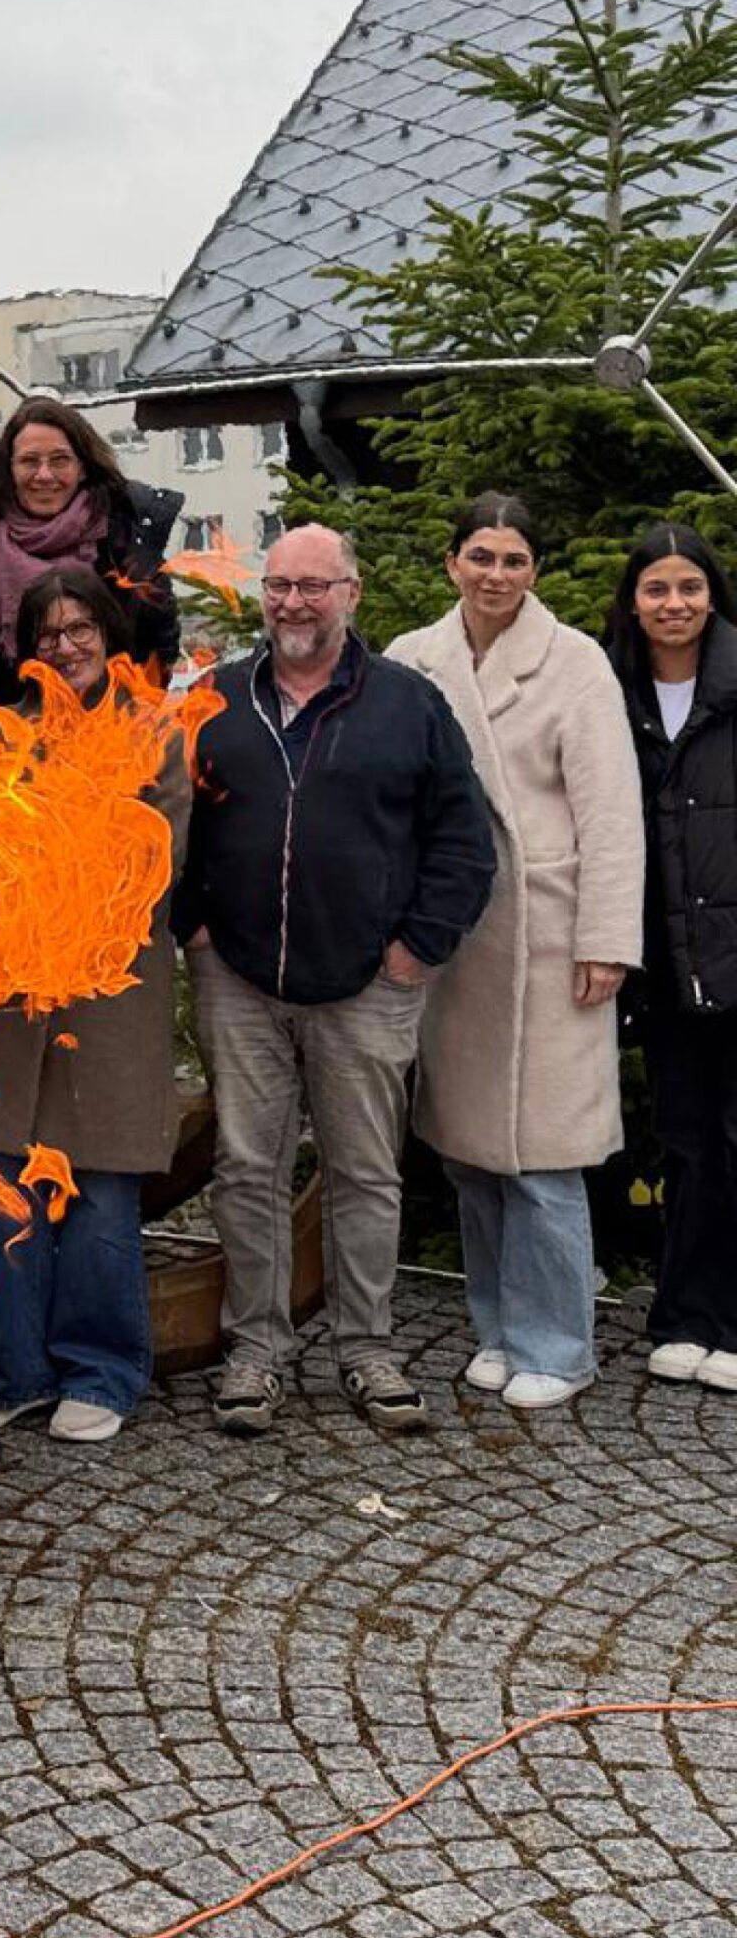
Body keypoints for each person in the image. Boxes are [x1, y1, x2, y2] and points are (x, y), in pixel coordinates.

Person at [178, 522, 494, 1437]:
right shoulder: (215, 698)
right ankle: (257, 1352)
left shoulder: (407, 703)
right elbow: (166, 824)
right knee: (247, 1168)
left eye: (315, 586)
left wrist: (418, 948)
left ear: (350, 594)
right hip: (239, 976)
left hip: (369, 981)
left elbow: (464, 841)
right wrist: (189, 923)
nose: (294, 604)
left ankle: (367, 1348)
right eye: (279, 585)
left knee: (363, 1171)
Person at [386, 495, 641, 1411]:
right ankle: (497, 1327)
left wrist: (608, 939)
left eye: (515, 560)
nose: (497, 574)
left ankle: (561, 1345)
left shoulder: (575, 664)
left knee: (542, 1156)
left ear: (535, 569)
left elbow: (612, 810)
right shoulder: (413, 659)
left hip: (550, 932)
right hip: (457, 936)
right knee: (468, 1150)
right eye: (481, 557)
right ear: (451, 561)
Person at [0, 566, 189, 1444]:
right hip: (10, 994)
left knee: (97, 1181)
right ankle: (15, 1368)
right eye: (48, 633)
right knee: (7, 1174)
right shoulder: (1, 739)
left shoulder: (156, 736)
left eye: (81, 627)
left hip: (106, 989)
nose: (67, 646)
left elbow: (149, 863)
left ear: (109, 634)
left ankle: (103, 1367)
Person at [604, 523, 737, 1393]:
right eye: (657, 589)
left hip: (734, 950)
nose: (674, 604)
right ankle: (683, 1313)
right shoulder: (614, 691)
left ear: (712, 595)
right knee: (685, 1139)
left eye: (689, 587)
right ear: (636, 603)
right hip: (661, 954)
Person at [0, 397, 183, 699]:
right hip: (3, 721)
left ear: (82, 467)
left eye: (59, 460)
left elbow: (158, 637)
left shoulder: (123, 531)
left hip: (109, 721)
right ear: (9, 468)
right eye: (30, 461)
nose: (44, 475)